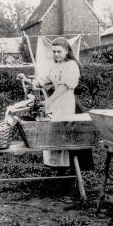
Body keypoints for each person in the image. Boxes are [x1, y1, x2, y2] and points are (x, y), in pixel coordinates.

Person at [18, 37, 89, 167]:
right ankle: (59, 168)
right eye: (54, 51)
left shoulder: (72, 65)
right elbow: (43, 80)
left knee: (66, 136)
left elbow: (64, 87)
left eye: (59, 52)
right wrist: (27, 79)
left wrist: (49, 101)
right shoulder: (56, 65)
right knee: (55, 135)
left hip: (67, 104)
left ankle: (72, 171)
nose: (56, 54)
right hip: (55, 104)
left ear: (67, 51)